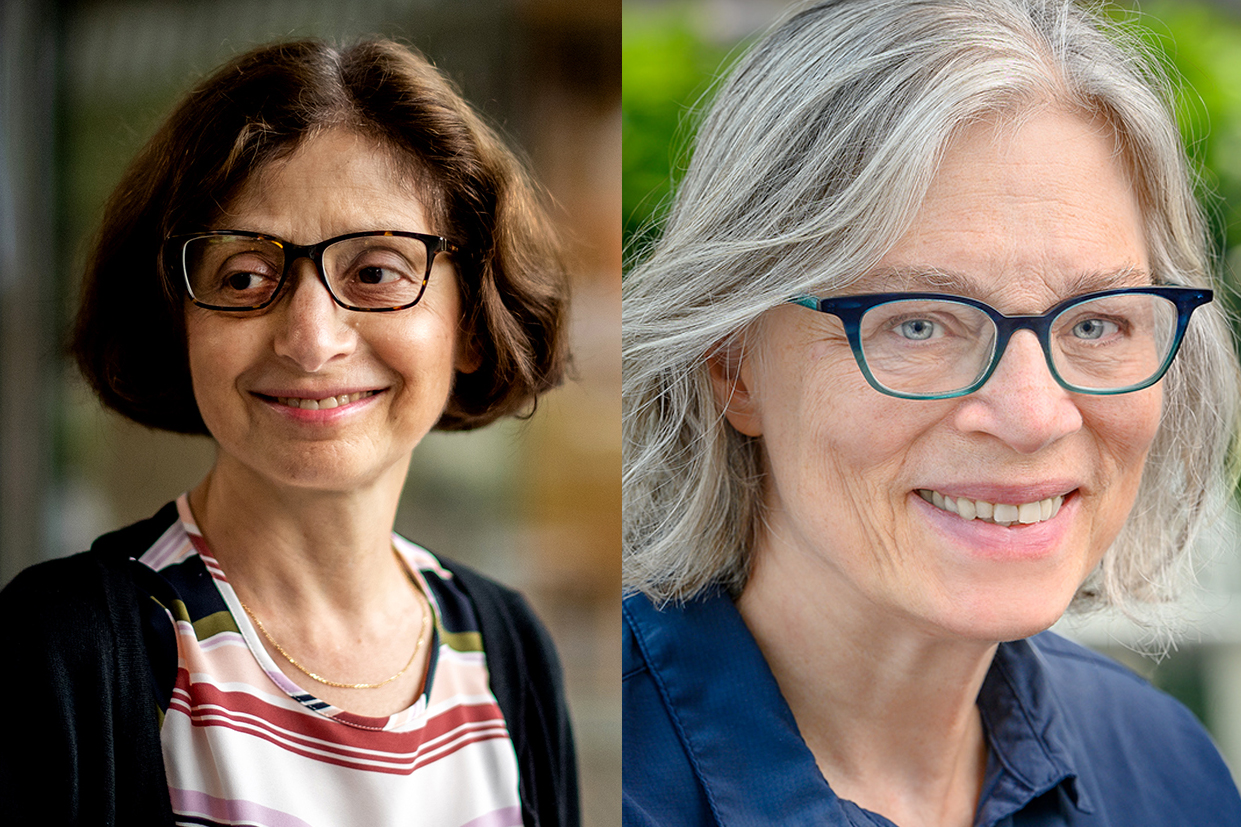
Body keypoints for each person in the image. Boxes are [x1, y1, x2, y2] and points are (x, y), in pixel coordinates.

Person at [622, 0, 1241, 825]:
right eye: (917, 323)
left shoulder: (1163, 769)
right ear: (734, 366)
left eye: (1097, 322)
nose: (1031, 415)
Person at [0, 38, 578, 827]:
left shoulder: (507, 646)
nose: (310, 339)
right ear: (180, 323)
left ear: (472, 321)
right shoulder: (57, 649)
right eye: (243, 276)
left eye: (376, 271)